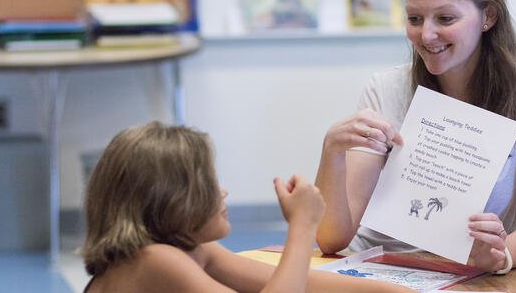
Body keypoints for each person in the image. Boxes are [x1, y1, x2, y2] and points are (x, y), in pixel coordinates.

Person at [315, 0, 516, 275]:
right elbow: (331, 241)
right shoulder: (386, 88)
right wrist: (331, 153)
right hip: (379, 271)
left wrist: (499, 255)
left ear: (488, 16)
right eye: (414, 19)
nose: (426, 35)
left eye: (445, 19)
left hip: (470, 274)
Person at [80, 121, 414, 293]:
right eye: (209, 186)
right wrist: (302, 226)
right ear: (169, 202)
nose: (223, 192)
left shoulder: (197, 250)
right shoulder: (154, 259)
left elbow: (305, 283)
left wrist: (395, 291)